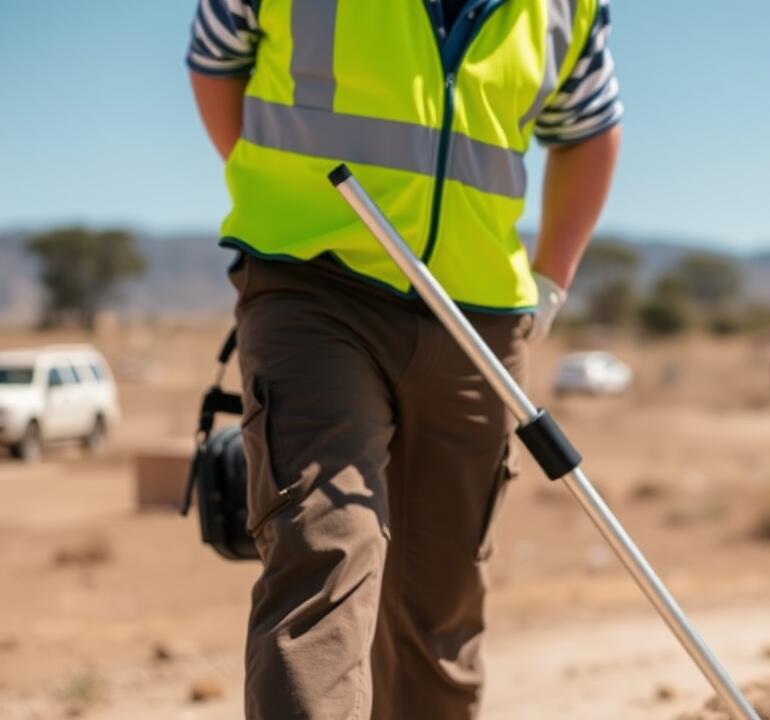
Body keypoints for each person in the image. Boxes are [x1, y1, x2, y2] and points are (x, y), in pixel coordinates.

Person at [186, 1, 622, 717]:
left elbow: (590, 131)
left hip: (476, 318)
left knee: (438, 604)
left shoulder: (567, 8)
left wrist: (551, 280)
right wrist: (281, 196)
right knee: (324, 552)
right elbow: (216, 65)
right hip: (315, 288)